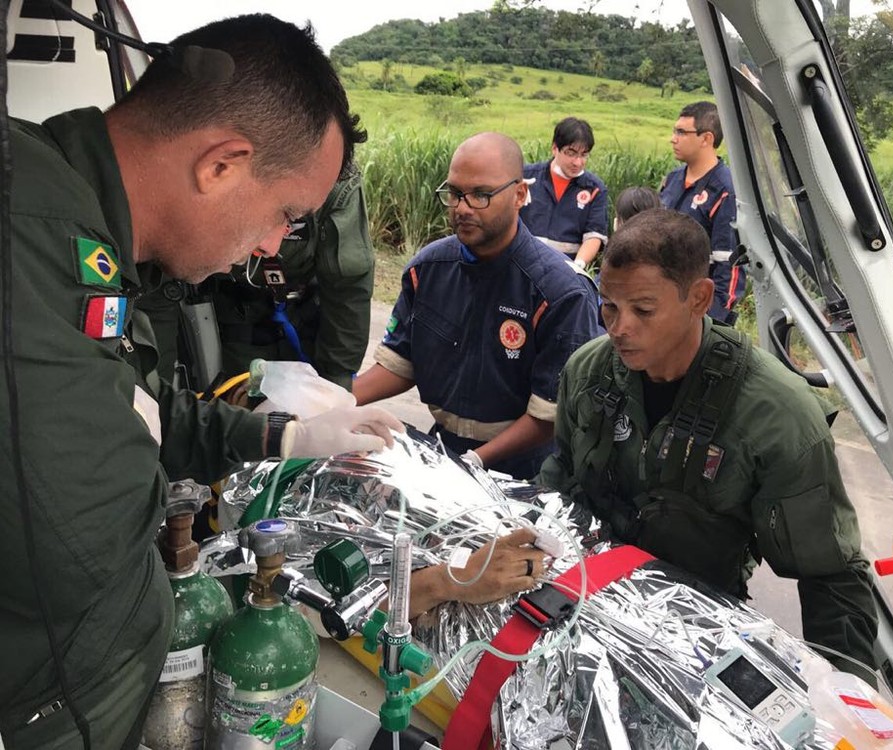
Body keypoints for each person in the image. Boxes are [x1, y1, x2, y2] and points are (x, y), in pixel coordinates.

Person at [0, 16, 404, 749]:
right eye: (286, 216)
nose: (272, 247)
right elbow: (78, 543)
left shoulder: (82, 226)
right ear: (221, 165)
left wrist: (287, 435)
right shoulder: (32, 235)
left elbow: (139, 410)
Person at [537, 208, 877, 677]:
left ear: (698, 299)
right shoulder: (589, 371)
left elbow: (831, 576)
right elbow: (559, 480)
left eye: (643, 310)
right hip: (584, 605)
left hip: (696, 638)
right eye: (609, 306)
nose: (619, 328)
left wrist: (849, 694)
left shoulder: (776, 415)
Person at [352, 132, 602, 480]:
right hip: (446, 451)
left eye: (481, 195)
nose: (463, 208)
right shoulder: (427, 270)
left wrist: (473, 463)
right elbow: (401, 362)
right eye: (455, 194)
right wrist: (336, 402)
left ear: (519, 195)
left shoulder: (560, 292)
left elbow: (549, 416)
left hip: (526, 469)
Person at [141, 166, 375, 393]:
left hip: (302, 325)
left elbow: (347, 292)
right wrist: (154, 394)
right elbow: (159, 292)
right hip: (219, 317)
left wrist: (334, 387)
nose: (272, 248)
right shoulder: (207, 169)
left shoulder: (332, 176)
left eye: (289, 219)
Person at [658, 101, 746, 324]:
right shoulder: (672, 179)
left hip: (697, 310)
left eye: (681, 132)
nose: (673, 139)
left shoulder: (726, 191)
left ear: (706, 138)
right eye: (674, 131)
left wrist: (711, 321)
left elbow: (730, 265)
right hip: (663, 299)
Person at [519, 117, 609, 269]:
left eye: (584, 155)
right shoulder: (526, 177)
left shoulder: (595, 189)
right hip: (523, 264)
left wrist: (577, 267)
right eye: (571, 153)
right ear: (555, 148)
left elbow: (594, 236)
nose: (577, 162)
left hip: (565, 268)